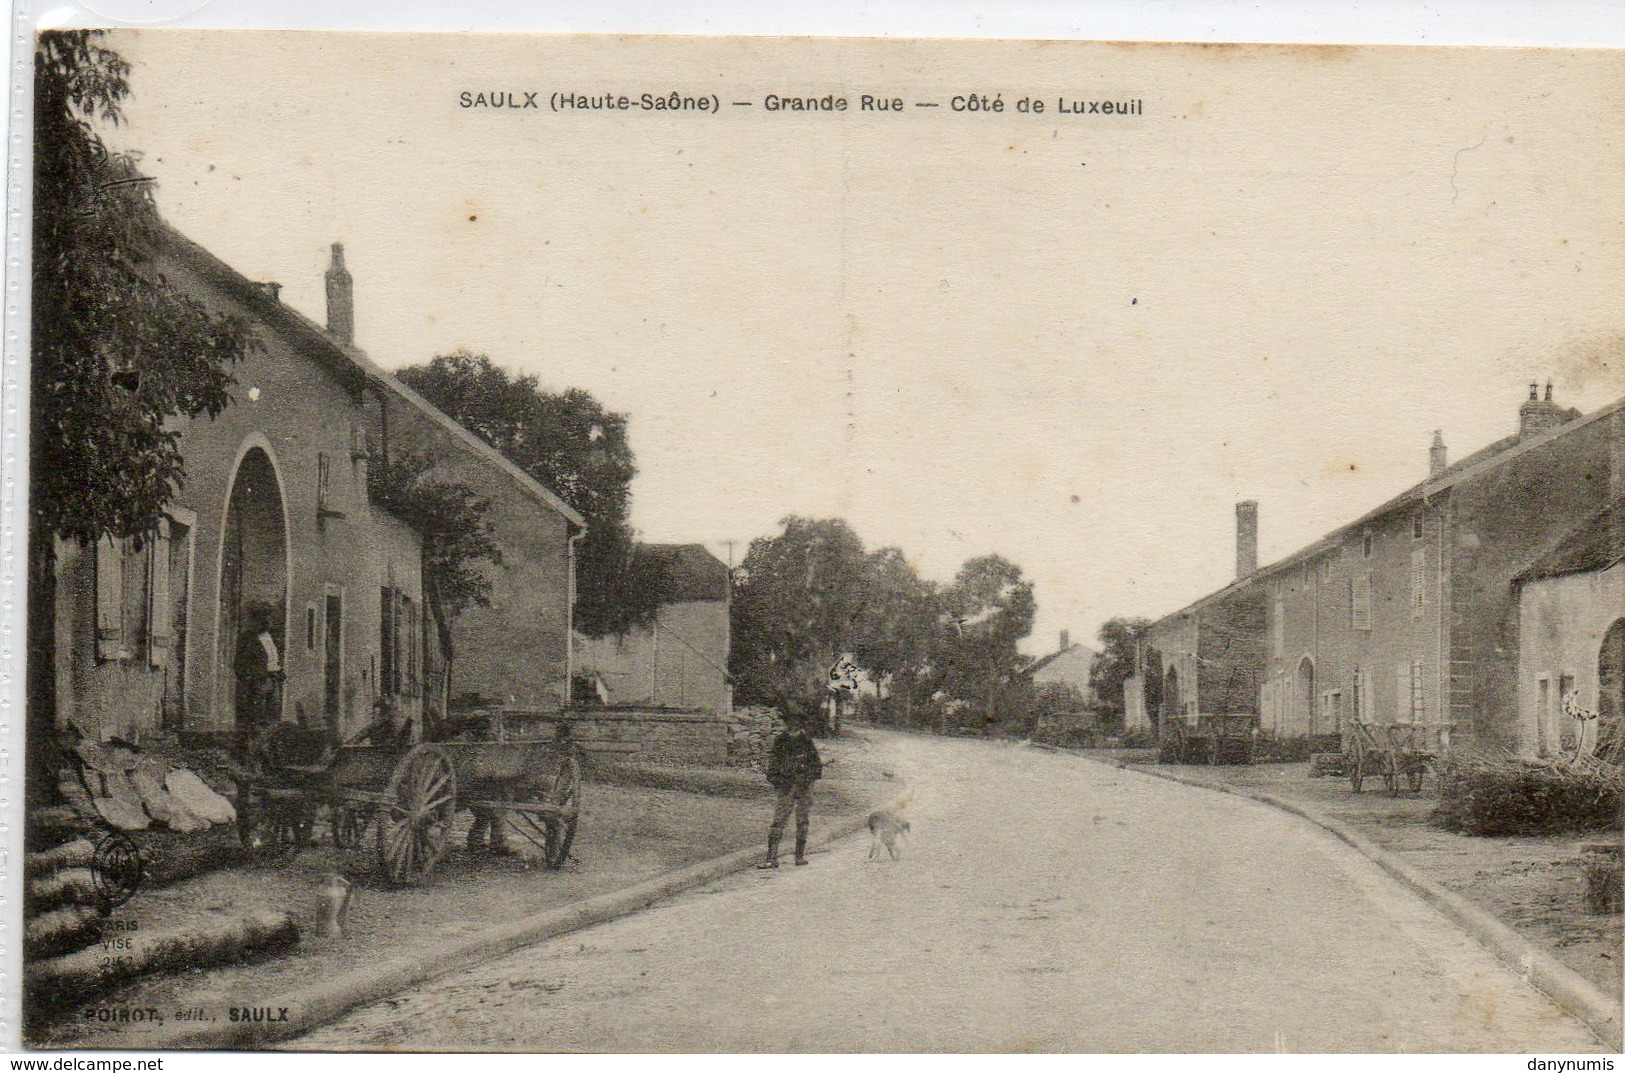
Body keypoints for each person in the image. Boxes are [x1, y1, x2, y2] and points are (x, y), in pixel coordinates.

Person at [758, 705, 824, 869]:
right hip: (786, 786)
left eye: (797, 721)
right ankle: (771, 858)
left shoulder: (806, 742)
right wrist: (776, 780)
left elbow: (816, 766)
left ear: (801, 723)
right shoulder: (781, 740)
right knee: (778, 820)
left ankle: (799, 856)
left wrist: (807, 779)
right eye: (790, 721)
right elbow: (773, 763)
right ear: (787, 722)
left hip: (804, 787)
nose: (794, 724)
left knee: (802, 820)